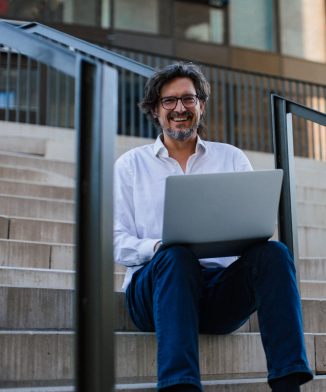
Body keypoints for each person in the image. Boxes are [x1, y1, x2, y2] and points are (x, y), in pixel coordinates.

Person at [113, 62, 313, 392]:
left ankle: (288, 382)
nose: (180, 108)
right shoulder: (130, 166)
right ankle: (181, 387)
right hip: (154, 292)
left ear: (201, 105)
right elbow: (113, 240)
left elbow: (253, 226)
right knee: (176, 257)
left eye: (188, 99)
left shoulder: (231, 159)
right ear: (155, 109)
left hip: (216, 292)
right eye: (169, 101)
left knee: (273, 253)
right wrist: (157, 248)